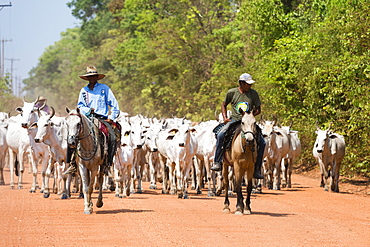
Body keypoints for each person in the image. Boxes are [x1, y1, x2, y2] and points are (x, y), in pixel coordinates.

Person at [64, 66, 120, 175]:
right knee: (72, 135)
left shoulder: (104, 89)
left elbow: (114, 105)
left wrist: (111, 117)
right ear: (87, 78)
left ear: (97, 77)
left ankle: (107, 165)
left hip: (102, 118)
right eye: (90, 77)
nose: (92, 79)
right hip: (87, 118)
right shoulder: (84, 91)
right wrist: (88, 110)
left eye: (94, 76)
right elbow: (80, 105)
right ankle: (72, 163)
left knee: (112, 137)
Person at [210, 73, 265, 179]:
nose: (250, 86)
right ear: (241, 83)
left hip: (248, 122)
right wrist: (225, 117)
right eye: (248, 84)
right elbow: (224, 104)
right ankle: (217, 162)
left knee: (262, 141)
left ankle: (257, 168)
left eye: (250, 84)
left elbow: (258, 109)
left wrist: (251, 115)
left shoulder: (254, 94)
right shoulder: (232, 92)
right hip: (234, 120)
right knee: (221, 134)